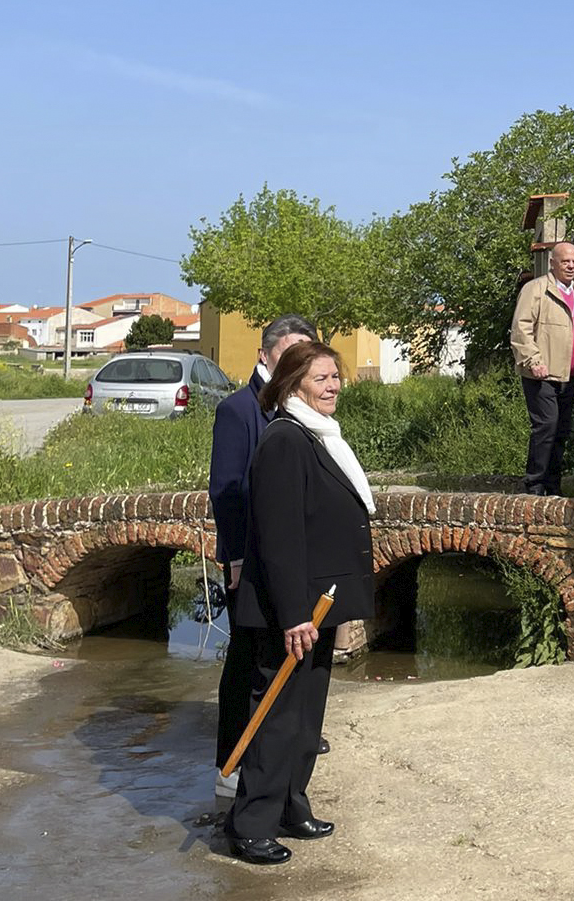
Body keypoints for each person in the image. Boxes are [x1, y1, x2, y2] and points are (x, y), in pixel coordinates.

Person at [225, 341, 377, 865]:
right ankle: (250, 824)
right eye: (321, 379)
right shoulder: (285, 441)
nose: (333, 385)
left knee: (306, 717)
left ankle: (292, 805)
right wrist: (293, 615)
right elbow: (279, 536)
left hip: (319, 602)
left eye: (336, 376)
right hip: (287, 610)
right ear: (293, 385)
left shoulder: (319, 435)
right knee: (276, 718)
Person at [208, 314, 317, 799]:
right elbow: (227, 490)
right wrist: (233, 558)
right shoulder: (239, 410)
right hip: (249, 559)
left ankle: (280, 745)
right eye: (290, 354)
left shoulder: (305, 409)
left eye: (306, 356)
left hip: (293, 559)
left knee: (285, 656)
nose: (298, 364)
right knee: (247, 660)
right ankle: (230, 762)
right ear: (264, 356)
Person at [511, 241, 574, 496]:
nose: (571, 266)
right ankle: (534, 485)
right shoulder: (536, 290)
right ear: (553, 263)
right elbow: (521, 328)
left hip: (569, 374)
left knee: (562, 429)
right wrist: (533, 360)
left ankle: (553, 486)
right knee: (546, 426)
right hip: (542, 373)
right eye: (565, 261)